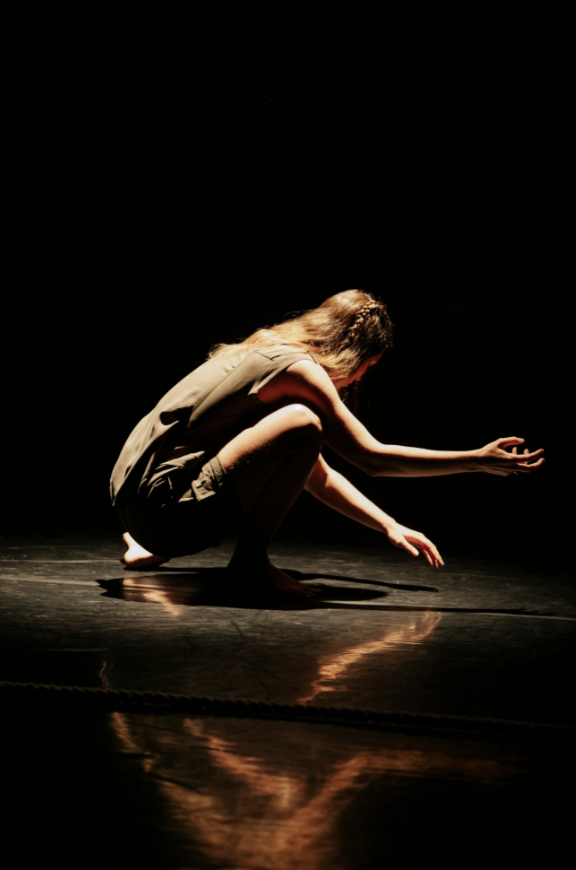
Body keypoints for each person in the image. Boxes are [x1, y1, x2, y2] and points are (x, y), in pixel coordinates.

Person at [110, 289, 544, 597]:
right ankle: (249, 566)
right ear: (354, 353)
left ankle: (150, 547)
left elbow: (315, 475)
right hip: (165, 514)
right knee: (304, 422)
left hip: (140, 509)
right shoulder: (298, 370)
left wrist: (388, 525)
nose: (359, 379)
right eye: (368, 366)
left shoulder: (261, 351)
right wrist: (475, 460)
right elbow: (372, 459)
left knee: (299, 428)